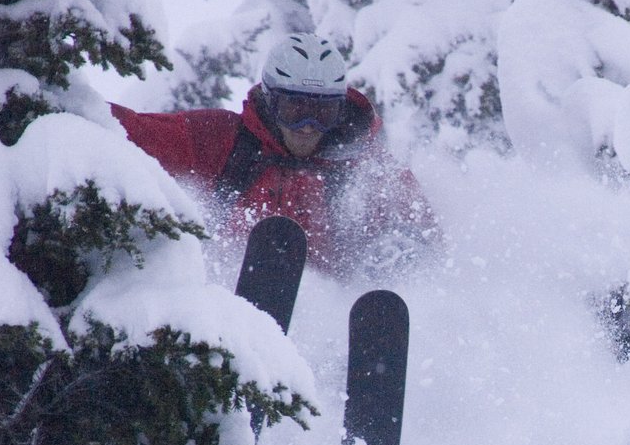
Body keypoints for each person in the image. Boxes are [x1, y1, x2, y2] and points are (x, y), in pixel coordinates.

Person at [112, 33, 440, 279]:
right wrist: (66, 96)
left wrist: (398, 252)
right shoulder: (222, 140)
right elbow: (133, 131)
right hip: (231, 291)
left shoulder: (362, 165)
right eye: (294, 109)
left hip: (327, 311)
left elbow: (421, 227)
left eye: (323, 113)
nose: (309, 127)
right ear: (270, 102)